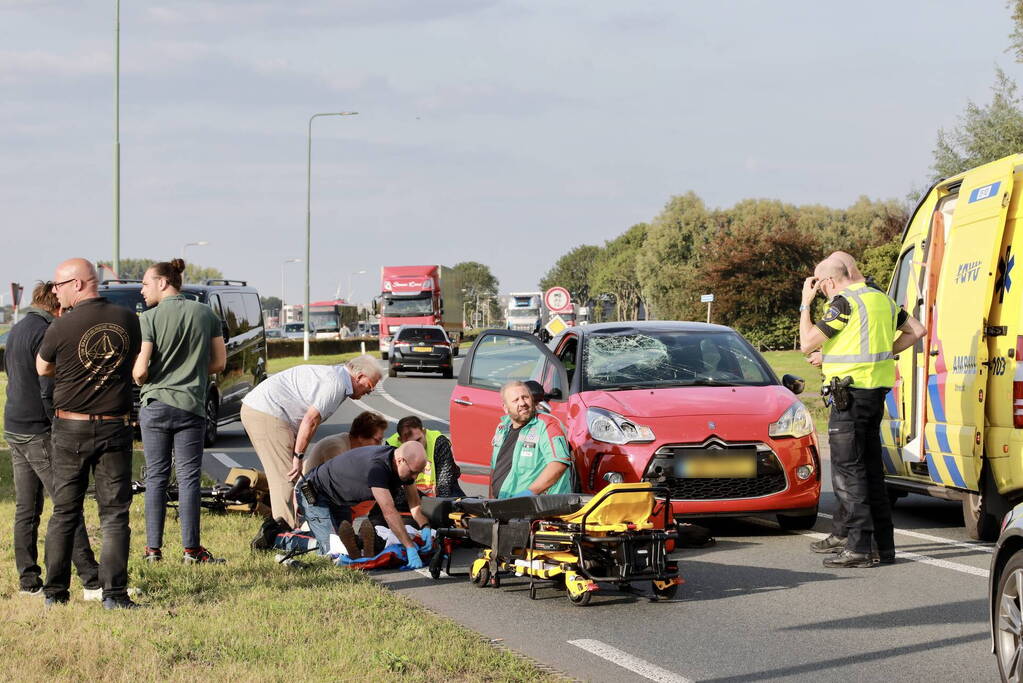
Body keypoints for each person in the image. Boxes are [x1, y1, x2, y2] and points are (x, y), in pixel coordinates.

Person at [799, 256, 926, 568]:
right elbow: (917, 330)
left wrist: (805, 304)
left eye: (820, 287)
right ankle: (884, 547)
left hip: (849, 398)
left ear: (828, 282)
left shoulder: (843, 303)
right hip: (874, 394)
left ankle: (858, 548)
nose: (822, 292)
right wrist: (881, 354)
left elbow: (806, 343)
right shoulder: (881, 299)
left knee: (849, 473)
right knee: (871, 472)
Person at [36, 258, 142, 608]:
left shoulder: (62, 325)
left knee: (65, 512)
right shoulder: (128, 319)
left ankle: (55, 593)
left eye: (58, 285)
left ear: (78, 284)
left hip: (71, 427)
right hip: (115, 425)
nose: (55, 292)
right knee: (114, 514)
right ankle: (114, 595)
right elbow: (133, 362)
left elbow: (42, 367)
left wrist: (71, 372)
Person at [5, 282, 101, 599]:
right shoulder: (46, 332)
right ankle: (92, 581)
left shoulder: (17, 329)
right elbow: (48, 387)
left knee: (26, 509)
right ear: (57, 306)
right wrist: (59, 425)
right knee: (67, 505)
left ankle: (28, 581)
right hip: (39, 430)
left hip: (15, 426)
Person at [132, 259, 227, 564]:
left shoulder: (149, 318)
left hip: (156, 405)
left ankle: (153, 550)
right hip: (190, 406)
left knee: (156, 477)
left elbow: (141, 371)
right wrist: (191, 371)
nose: (142, 290)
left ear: (163, 282)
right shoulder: (207, 314)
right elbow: (219, 363)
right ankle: (191, 550)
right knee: (188, 478)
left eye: (145, 283)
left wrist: (142, 377)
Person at [240, 354, 382, 527]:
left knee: (285, 476)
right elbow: (311, 420)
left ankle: (280, 521)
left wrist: (297, 454)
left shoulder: (337, 379)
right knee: (286, 477)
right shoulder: (336, 384)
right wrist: (298, 456)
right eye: (370, 386)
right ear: (359, 376)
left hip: (268, 411)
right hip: (267, 412)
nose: (370, 391)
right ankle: (285, 533)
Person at [260, 442, 431, 569]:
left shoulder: (402, 467)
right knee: (332, 550)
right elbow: (389, 512)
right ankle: (276, 536)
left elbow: (414, 505)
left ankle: (311, 532)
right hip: (314, 492)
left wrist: (425, 527)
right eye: (413, 472)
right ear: (400, 460)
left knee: (347, 545)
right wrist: (409, 547)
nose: (414, 477)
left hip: (339, 499)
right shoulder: (377, 468)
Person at [488, 380, 573, 499]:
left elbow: (558, 464)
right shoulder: (502, 428)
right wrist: (490, 501)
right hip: (502, 503)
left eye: (525, 397)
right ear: (506, 408)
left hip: (536, 505)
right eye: (516, 400)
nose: (522, 403)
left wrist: (529, 494)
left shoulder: (548, 425)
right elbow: (495, 469)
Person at [384, 415, 464, 498]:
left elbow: (444, 483)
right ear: (401, 440)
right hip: (408, 493)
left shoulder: (439, 442)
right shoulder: (391, 447)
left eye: (418, 440)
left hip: (438, 491)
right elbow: (392, 488)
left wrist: (437, 502)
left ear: (424, 432)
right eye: (410, 443)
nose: (417, 446)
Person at [301, 410, 388, 475]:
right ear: (361, 437)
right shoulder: (336, 447)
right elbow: (339, 482)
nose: (379, 445)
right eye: (377, 440)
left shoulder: (352, 445)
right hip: (311, 492)